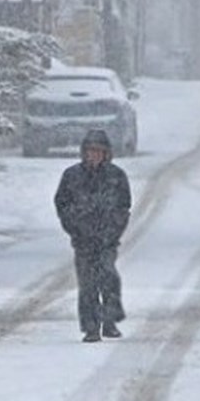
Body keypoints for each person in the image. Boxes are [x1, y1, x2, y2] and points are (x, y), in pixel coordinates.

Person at [54, 129, 132, 343]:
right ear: (84, 153)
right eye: (90, 151)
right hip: (82, 240)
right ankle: (90, 327)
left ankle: (109, 320)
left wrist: (114, 229)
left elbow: (124, 206)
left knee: (108, 276)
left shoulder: (116, 176)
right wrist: (74, 226)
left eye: (99, 151)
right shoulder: (72, 176)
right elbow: (62, 204)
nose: (94, 155)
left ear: (106, 153)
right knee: (87, 284)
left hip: (108, 239)